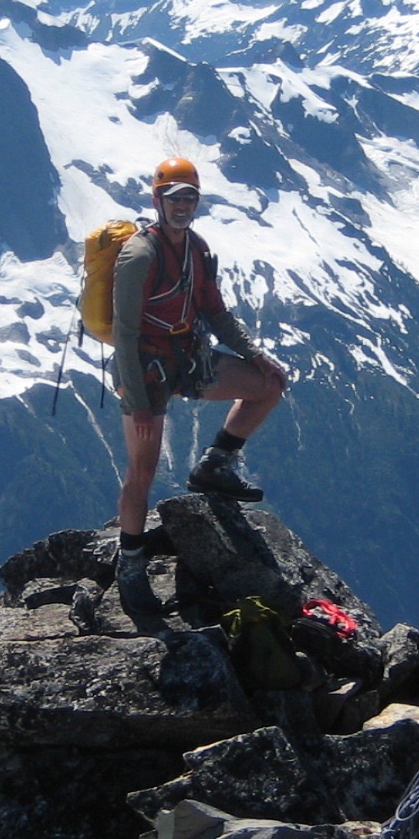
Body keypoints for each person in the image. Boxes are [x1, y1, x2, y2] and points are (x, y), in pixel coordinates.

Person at [112, 156, 289, 617]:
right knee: (142, 471)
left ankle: (215, 465)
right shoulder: (139, 256)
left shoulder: (198, 250)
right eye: (174, 198)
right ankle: (129, 564)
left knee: (268, 385)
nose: (182, 206)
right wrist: (139, 403)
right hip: (146, 370)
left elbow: (215, 312)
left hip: (187, 358)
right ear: (158, 201)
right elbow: (125, 334)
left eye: (189, 197)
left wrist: (256, 357)